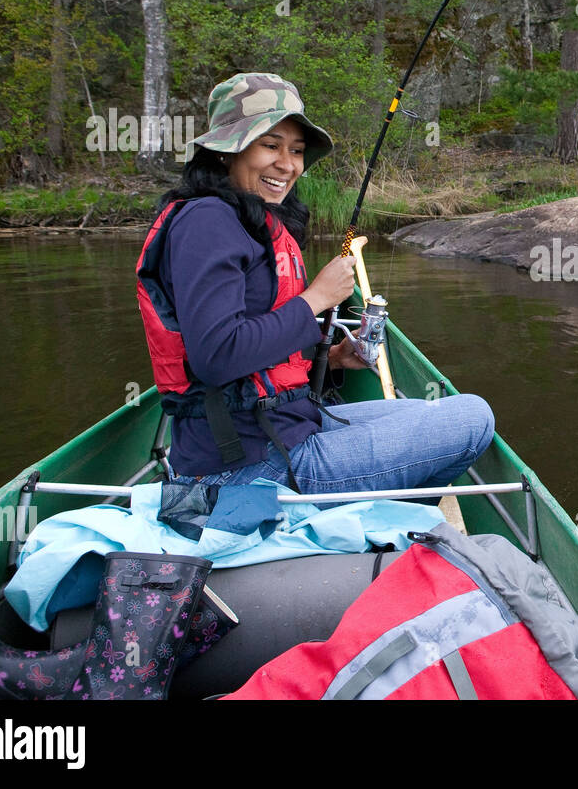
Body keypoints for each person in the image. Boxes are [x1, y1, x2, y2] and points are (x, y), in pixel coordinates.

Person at [136, 72, 495, 495]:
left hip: (287, 431)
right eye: (270, 145)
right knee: (473, 418)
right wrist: (316, 299)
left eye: (297, 151)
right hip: (245, 468)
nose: (287, 165)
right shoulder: (207, 221)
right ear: (225, 152)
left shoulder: (245, 219)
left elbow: (254, 343)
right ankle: (365, 521)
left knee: (434, 410)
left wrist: (337, 358)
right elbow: (217, 356)